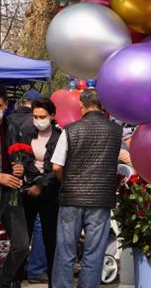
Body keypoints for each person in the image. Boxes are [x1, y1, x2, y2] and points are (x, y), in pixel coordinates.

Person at [50, 90, 122, 288]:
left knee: (65, 251)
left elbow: (56, 166)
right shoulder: (116, 132)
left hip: (71, 198)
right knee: (94, 253)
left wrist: (68, 182)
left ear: (82, 105)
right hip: (100, 199)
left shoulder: (70, 129)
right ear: (103, 107)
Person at [0, 84, 29, 288]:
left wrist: (20, 168)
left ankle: (4, 281)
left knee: (21, 245)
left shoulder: (12, 127)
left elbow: (21, 157)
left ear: (6, 104)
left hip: (11, 194)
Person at [19, 97, 62, 287]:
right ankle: (17, 279)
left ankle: (53, 280)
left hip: (50, 193)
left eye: (42, 116)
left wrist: (41, 184)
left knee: (50, 239)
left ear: (52, 116)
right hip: (27, 190)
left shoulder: (60, 136)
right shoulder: (27, 132)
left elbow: (58, 167)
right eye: (35, 116)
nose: (38, 120)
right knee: (21, 240)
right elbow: (22, 156)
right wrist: (29, 179)